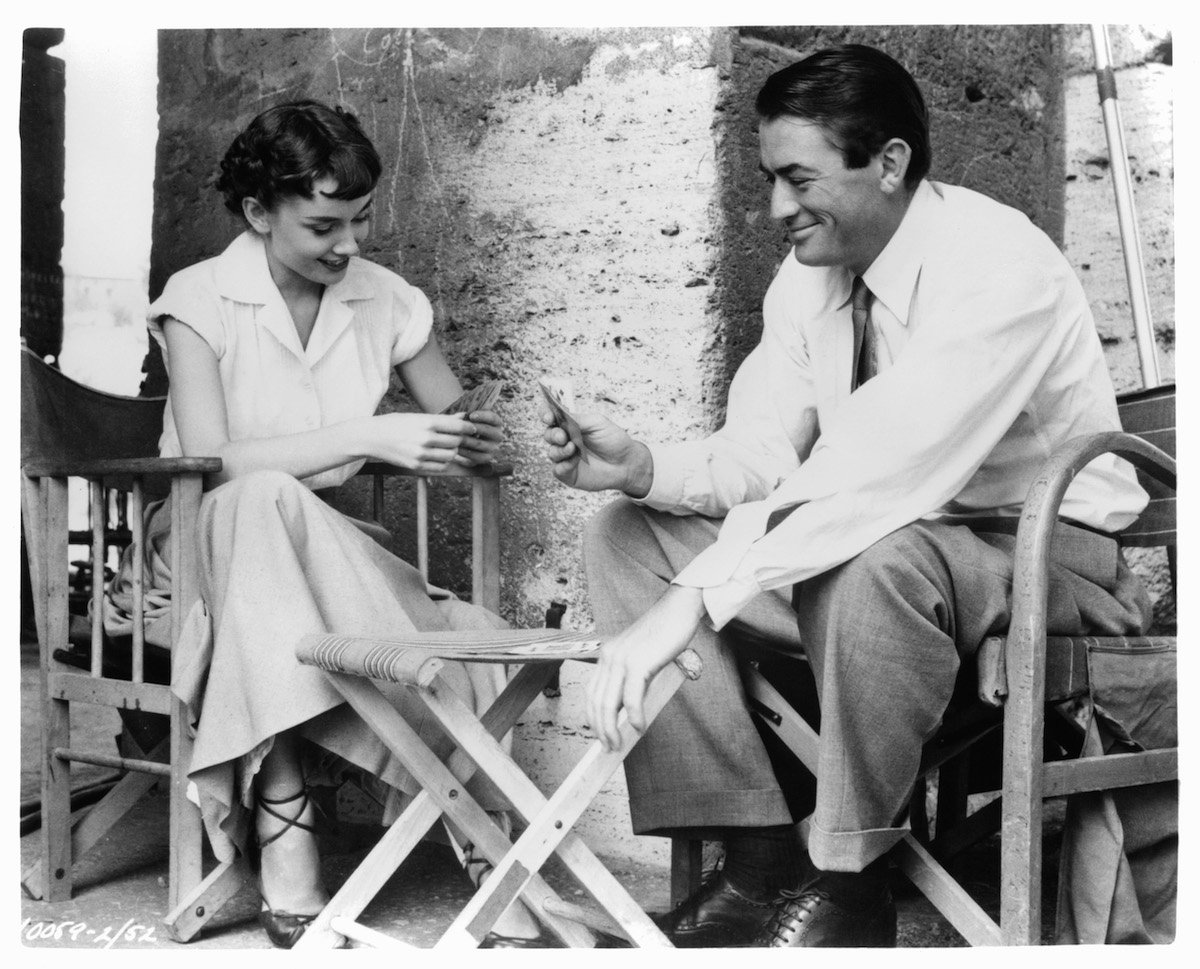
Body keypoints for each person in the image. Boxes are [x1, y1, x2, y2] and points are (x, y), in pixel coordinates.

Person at [542, 44, 1152, 948]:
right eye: (769, 178)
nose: (777, 207)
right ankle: (756, 860)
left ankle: (850, 877)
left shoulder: (997, 263)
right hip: (900, 543)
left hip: (1039, 551)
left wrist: (692, 599)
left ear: (891, 162)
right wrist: (641, 467)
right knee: (630, 536)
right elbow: (765, 449)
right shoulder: (809, 276)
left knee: (866, 559)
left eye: (799, 178)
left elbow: (882, 461)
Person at [108, 100, 542, 948]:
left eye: (361, 218)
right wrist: (368, 433)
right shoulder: (200, 298)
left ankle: (300, 812)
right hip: (200, 544)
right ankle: (434, 821)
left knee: (402, 586)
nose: (349, 244)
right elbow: (209, 459)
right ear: (259, 213)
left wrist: (484, 441)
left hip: (328, 549)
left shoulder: (386, 298)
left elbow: (459, 421)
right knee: (258, 496)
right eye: (322, 225)